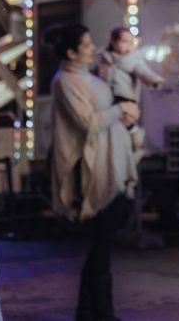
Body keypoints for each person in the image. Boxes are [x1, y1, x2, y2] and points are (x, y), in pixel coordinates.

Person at [48, 24, 138, 321]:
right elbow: (87, 123)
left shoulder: (87, 76)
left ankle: (93, 311)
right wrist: (120, 109)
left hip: (109, 163)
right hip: (94, 171)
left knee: (103, 246)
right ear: (71, 52)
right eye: (85, 44)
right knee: (101, 245)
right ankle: (97, 312)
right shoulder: (66, 81)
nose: (91, 47)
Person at [97, 27, 163, 155]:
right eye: (123, 41)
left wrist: (154, 80)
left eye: (130, 42)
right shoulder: (105, 58)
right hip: (108, 97)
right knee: (113, 129)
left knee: (126, 122)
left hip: (125, 97)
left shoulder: (133, 59)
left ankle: (135, 142)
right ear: (113, 42)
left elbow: (144, 72)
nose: (127, 45)